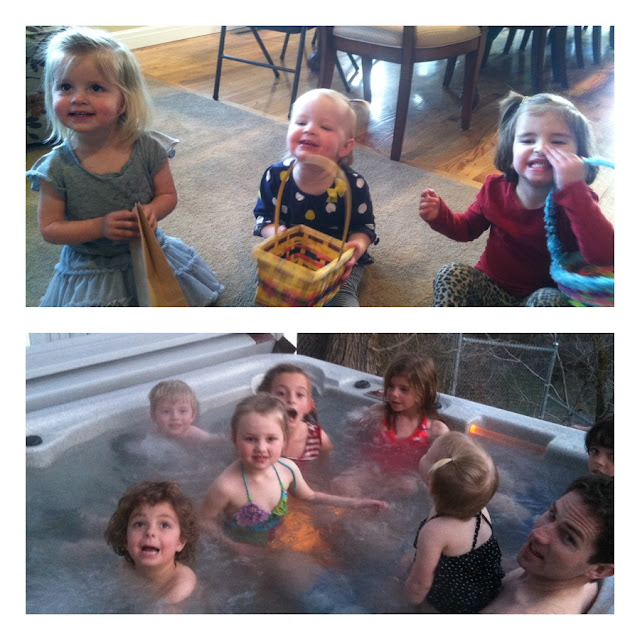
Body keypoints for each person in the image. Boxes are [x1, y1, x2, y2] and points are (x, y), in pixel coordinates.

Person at [26, 27, 224, 306]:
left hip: (147, 251)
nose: (77, 98)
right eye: (65, 87)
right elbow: (50, 228)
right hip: (91, 264)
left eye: (95, 88)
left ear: (124, 100)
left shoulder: (148, 148)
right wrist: (100, 226)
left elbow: (167, 195)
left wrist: (153, 211)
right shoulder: (56, 168)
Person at [419, 91, 614, 307]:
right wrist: (440, 216)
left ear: (581, 158)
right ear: (510, 153)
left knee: (548, 300)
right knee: (451, 274)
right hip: (490, 287)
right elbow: (465, 229)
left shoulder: (578, 202)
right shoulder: (494, 189)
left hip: (539, 298)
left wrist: (575, 190)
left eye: (557, 141)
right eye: (528, 140)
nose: (540, 149)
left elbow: (605, 256)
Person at [199, 393, 387, 551]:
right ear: (235, 439)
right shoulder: (226, 487)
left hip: (279, 536)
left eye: (271, 439)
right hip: (245, 550)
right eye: (250, 439)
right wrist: (233, 546)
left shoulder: (287, 469)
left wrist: (355, 503)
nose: (261, 448)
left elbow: (311, 496)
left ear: (284, 440)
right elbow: (204, 521)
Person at [253, 88, 377, 306]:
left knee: (344, 302)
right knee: (270, 295)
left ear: (345, 147)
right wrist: (276, 234)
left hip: (337, 262)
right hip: (292, 255)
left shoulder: (353, 185)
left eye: (325, 127)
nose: (309, 129)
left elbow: (364, 226)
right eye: (300, 122)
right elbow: (264, 215)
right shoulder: (276, 176)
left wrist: (356, 247)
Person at [482, 474, 614, 614]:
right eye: (552, 514)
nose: (538, 534)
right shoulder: (563, 578)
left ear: (600, 570)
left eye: (569, 537)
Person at [403, 432, 504, 613]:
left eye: (427, 453)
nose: (423, 454)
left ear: (432, 485)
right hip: (485, 588)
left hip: (454, 604)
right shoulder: (479, 509)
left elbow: (420, 584)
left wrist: (408, 603)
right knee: (407, 561)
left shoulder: (435, 531)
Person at [331, 353, 449, 498]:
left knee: (408, 486)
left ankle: (368, 503)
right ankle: (363, 504)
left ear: (423, 392)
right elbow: (353, 443)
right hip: (372, 469)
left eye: (404, 389)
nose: (394, 393)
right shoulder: (378, 413)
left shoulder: (435, 430)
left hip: (403, 479)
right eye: (391, 386)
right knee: (340, 484)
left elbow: (442, 472)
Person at [104, 480, 199, 607]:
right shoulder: (125, 570)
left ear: (180, 542)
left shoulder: (181, 585)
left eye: (164, 525)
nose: (150, 532)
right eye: (140, 524)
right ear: (125, 539)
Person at [257, 363, 333, 461]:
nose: (291, 400)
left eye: (300, 394)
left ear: (309, 406)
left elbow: (325, 468)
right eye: (281, 393)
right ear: (265, 401)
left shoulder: (318, 439)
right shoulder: (255, 436)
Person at [148, 380, 214, 442]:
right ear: (153, 416)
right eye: (166, 411)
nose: (175, 417)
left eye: (182, 411)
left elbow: (214, 441)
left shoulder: (198, 435)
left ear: (193, 415)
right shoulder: (154, 437)